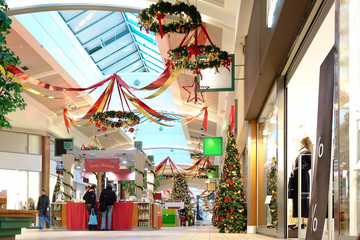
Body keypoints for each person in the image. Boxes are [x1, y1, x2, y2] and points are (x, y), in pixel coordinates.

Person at [290, 137, 312, 229]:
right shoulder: (303, 153)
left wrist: (295, 170)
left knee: (301, 199)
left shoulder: (306, 153)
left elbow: (307, 165)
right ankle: (300, 223)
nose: (300, 144)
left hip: (302, 180)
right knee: (298, 199)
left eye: (301, 143)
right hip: (299, 179)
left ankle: (302, 223)